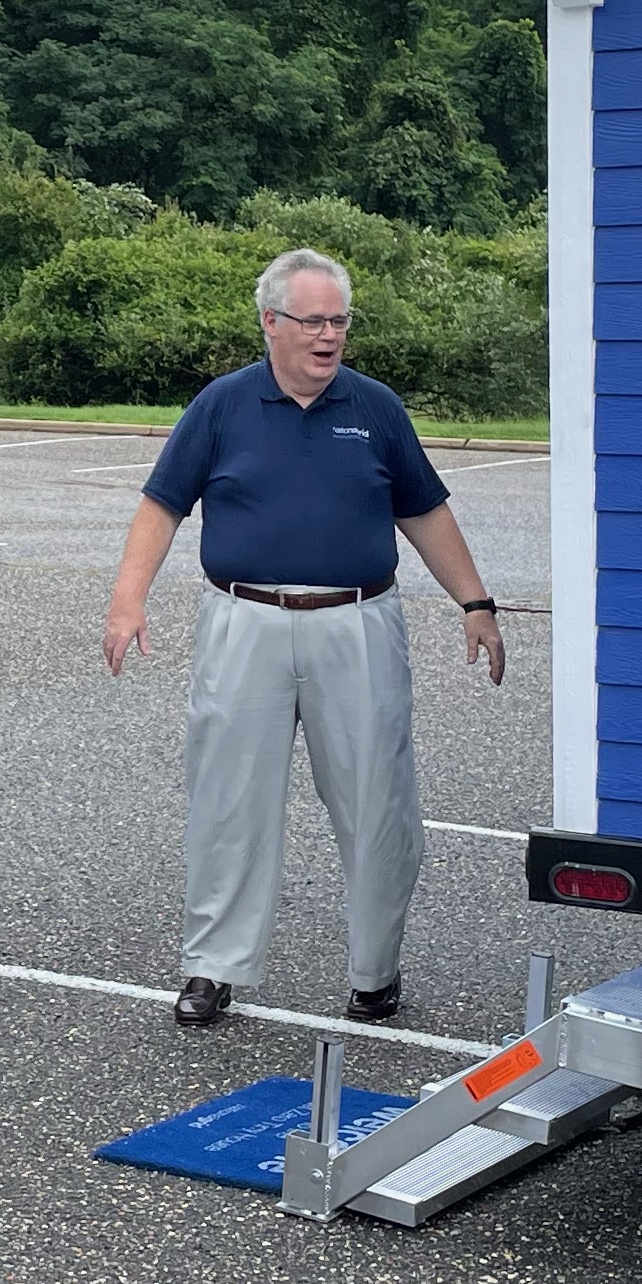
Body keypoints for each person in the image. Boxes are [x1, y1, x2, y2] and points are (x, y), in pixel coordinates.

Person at [102, 248, 505, 1029]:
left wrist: (475, 601)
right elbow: (161, 507)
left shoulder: (376, 408)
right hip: (242, 621)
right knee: (228, 800)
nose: (328, 336)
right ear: (271, 324)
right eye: (312, 321)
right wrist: (127, 602)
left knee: (378, 801)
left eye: (339, 321)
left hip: (357, 624)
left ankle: (374, 972)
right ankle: (213, 967)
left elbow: (424, 511)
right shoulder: (222, 405)